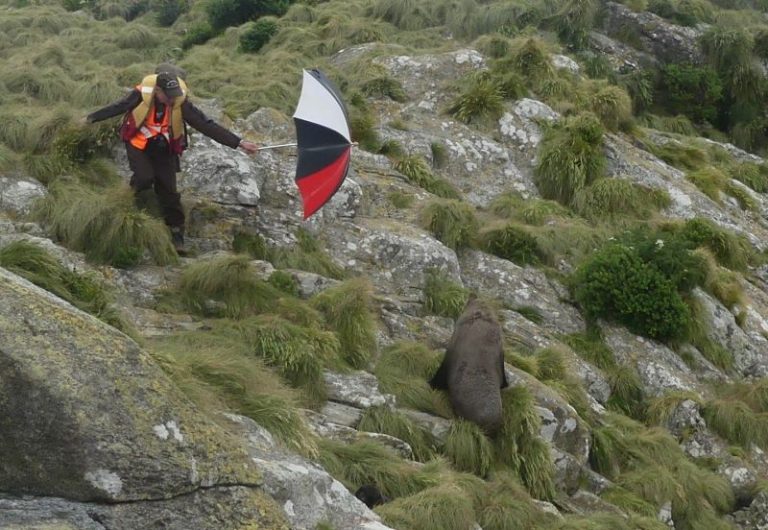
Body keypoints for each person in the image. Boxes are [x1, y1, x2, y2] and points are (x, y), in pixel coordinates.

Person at [81, 65, 259, 254]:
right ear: (157, 91)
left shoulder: (180, 102)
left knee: (169, 190)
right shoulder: (141, 94)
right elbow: (118, 107)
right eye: (168, 95)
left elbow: (206, 125)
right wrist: (90, 119)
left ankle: (176, 231)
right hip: (138, 142)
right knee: (144, 177)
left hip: (164, 147)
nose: (172, 99)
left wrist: (239, 143)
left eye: (175, 94)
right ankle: (133, 193)